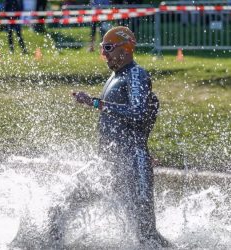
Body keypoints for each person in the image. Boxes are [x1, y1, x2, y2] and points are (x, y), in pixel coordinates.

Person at [73, 26, 170, 247]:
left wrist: (95, 102)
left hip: (132, 164)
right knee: (64, 204)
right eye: (102, 49)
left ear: (125, 50)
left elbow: (138, 113)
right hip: (107, 163)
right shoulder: (115, 76)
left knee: (146, 235)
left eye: (108, 48)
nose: (103, 54)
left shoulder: (136, 74)